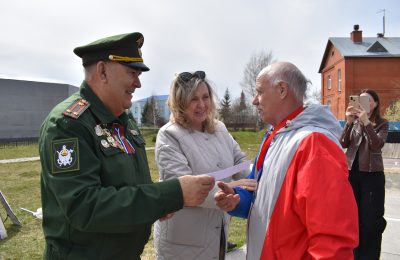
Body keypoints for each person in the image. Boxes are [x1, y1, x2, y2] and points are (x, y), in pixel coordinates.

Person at [39, 32, 215, 259]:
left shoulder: (124, 121)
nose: (138, 82)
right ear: (102, 72)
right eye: (132, 72)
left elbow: (128, 185)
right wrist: (171, 194)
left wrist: (156, 205)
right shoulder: (68, 124)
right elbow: (85, 207)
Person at [214, 61, 359, 259]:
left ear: (282, 90)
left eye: (259, 92)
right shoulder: (275, 136)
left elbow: (332, 240)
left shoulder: (314, 144)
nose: (254, 101)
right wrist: (236, 201)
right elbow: (258, 195)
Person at [153, 71, 256, 260]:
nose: (201, 105)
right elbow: (185, 187)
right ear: (180, 102)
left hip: (217, 235)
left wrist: (255, 183)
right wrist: (232, 191)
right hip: (183, 242)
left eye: (205, 97)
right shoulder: (169, 135)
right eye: (193, 99)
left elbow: (240, 162)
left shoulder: (220, 129)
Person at [340, 89, 389, 260]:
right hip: (352, 174)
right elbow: (343, 142)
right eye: (361, 100)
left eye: (368, 100)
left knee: (370, 222)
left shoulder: (382, 123)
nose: (364, 103)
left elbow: (377, 145)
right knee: (352, 219)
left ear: (374, 104)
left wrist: (366, 122)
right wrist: (348, 121)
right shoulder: (353, 123)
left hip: (372, 176)